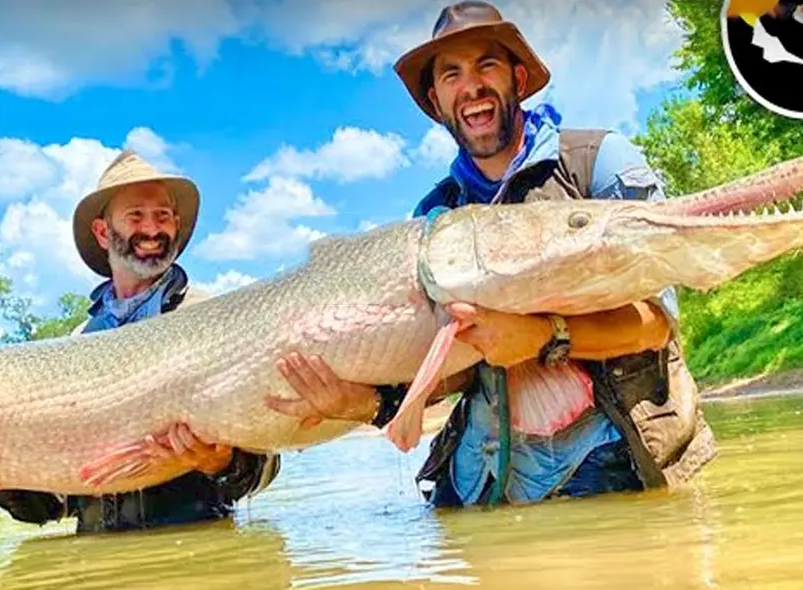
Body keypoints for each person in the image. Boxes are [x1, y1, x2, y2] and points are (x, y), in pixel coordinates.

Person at [266, 1, 717, 508]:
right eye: (452, 74)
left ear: (518, 78)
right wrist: (361, 403)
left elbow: (658, 323)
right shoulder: (434, 214)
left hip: (610, 458)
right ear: (437, 101)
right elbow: (452, 370)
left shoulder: (596, 165)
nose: (471, 85)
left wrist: (546, 337)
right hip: (482, 476)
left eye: (487, 65)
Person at [0, 150, 280, 532]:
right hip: (95, 565)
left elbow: (267, 464)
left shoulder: (213, 320)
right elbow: (52, 506)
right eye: (136, 216)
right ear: (103, 232)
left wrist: (221, 461)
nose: (152, 229)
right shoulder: (76, 343)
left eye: (163, 216)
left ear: (177, 226)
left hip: (200, 550)